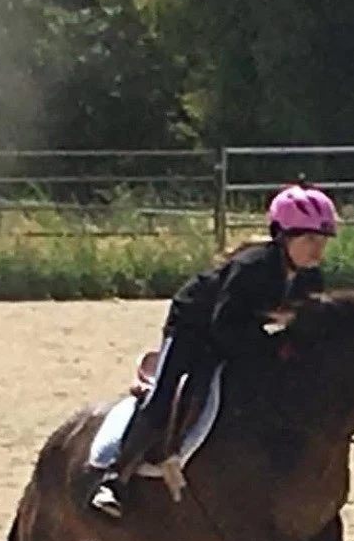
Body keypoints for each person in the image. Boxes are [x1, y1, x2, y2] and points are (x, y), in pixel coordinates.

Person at [88, 182, 339, 518]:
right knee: (167, 397)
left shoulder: (310, 278)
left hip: (235, 329)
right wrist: (270, 348)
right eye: (309, 240)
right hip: (194, 327)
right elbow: (225, 326)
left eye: (322, 241)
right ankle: (115, 479)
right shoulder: (253, 267)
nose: (317, 249)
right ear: (284, 236)